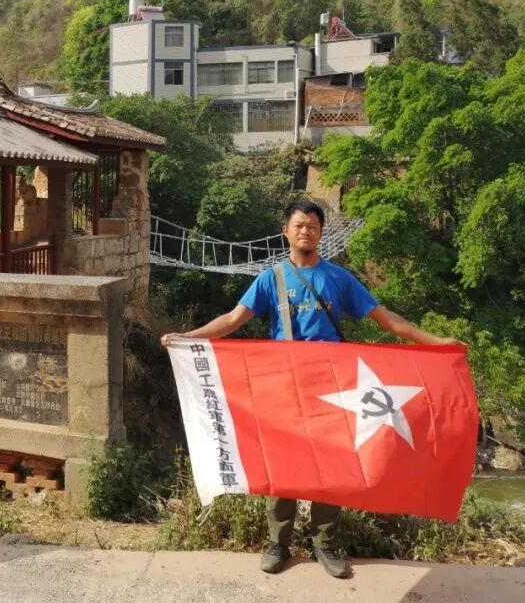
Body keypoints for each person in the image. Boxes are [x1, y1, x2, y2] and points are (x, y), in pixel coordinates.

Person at [161, 199, 456, 579]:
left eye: (313, 226)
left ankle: (325, 545)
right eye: (299, 225)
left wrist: (437, 343)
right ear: (286, 231)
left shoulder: (338, 278)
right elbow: (234, 319)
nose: (306, 231)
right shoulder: (271, 279)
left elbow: (386, 319)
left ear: (320, 233)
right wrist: (188, 337)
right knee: (281, 462)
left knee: (332, 465)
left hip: (333, 386)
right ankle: (278, 543)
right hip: (285, 385)